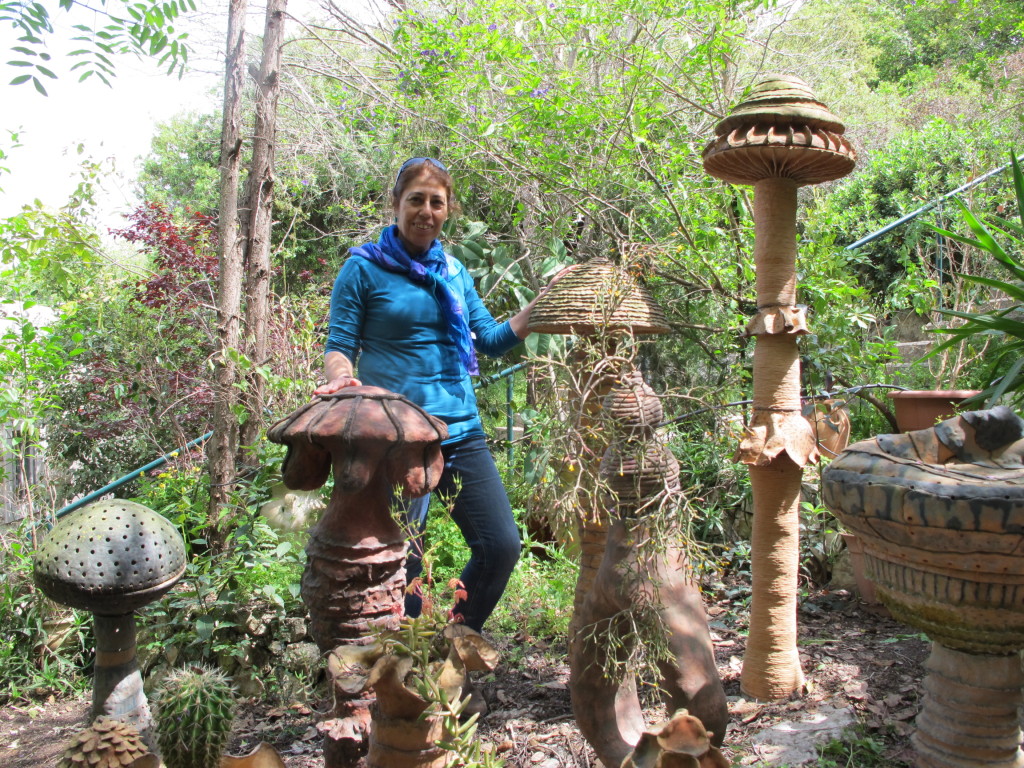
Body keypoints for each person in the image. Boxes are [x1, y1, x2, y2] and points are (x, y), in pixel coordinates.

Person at [314, 156, 563, 636]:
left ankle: (444, 642)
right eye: (416, 200)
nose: (425, 211)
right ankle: (399, 666)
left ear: (447, 210)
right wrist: (342, 377)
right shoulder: (362, 269)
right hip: (393, 440)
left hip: (460, 431)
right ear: (396, 204)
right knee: (401, 557)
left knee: (500, 546)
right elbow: (340, 345)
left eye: (436, 202)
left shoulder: (454, 272)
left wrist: (542, 303)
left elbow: (488, 338)